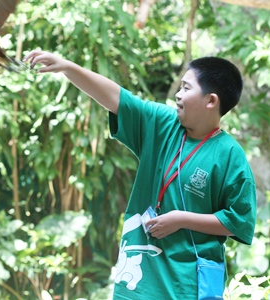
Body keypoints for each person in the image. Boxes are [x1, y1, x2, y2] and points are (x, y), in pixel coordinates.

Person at [23, 50, 257, 299]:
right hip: (135, 285)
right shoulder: (163, 124)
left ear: (211, 101)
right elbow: (118, 98)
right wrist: (68, 67)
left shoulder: (230, 155)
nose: (178, 94)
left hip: (185, 287)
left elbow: (239, 222)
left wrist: (181, 219)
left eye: (186, 88)